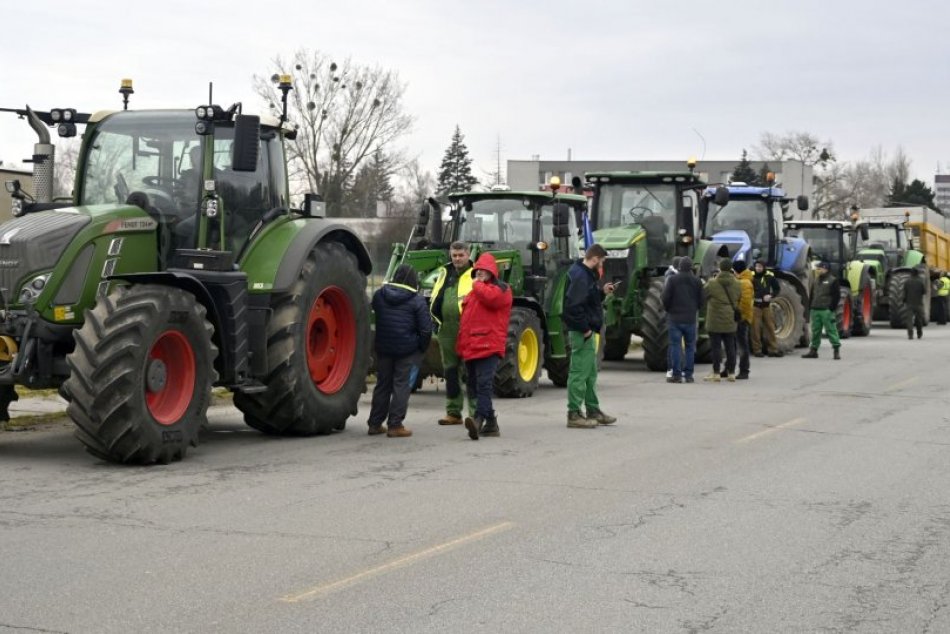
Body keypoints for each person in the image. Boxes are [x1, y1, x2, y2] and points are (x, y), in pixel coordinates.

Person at [367, 264, 433, 438]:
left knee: (382, 385)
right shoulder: (417, 300)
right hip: (407, 350)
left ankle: (375, 423)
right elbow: (426, 330)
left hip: (383, 347)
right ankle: (395, 425)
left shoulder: (379, 295)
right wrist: (421, 347)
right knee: (401, 385)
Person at [456, 253, 512, 440]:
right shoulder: (474, 293)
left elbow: (491, 299)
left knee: (484, 384)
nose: (479, 273)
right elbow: (466, 322)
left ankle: (478, 420)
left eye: (483, 270)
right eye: (477, 270)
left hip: (489, 345)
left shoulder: (501, 289)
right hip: (472, 345)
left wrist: (476, 284)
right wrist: (461, 346)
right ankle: (492, 424)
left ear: (492, 272)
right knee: (474, 385)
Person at [563, 243, 618, 428]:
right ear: (594, 259)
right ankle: (574, 414)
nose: (602, 265)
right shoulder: (580, 276)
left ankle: (593, 410)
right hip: (582, 332)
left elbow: (587, 300)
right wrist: (585, 329)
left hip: (588, 331)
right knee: (579, 372)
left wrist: (602, 292)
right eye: (601, 261)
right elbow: (572, 307)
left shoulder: (585, 274)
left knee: (590, 373)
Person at [430, 242, 475, 426]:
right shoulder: (444, 272)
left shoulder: (476, 274)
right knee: (450, 371)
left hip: (469, 329)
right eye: (454, 255)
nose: (457, 259)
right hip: (446, 330)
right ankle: (453, 412)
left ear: (468, 255)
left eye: (461, 255)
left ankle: (475, 413)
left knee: (472, 372)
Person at [662, 255, 702, 383]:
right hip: (690, 319)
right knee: (690, 347)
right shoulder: (697, 281)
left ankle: (676, 374)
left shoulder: (672, 280)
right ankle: (689, 375)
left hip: (675, 319)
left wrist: (669, 310)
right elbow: (701, 300)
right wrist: (694, 309)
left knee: (675, 346)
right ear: (691, 267)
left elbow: (665, 298)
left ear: (679, 267)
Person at [703, 258, 741, 382]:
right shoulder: (737, 284)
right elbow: (739, 297)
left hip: (714, 320)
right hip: (730, 319)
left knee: (716, 347)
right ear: (730, 268)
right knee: (730, 347)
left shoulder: (712, 283)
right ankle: (731, 373)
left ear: (720, 268)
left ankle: (716, 373)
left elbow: (703, 295)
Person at [801, 261, 841, 359]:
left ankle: (836, 350)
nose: (818, 270)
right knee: (815, 331)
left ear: (826, 269)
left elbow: (836, 296)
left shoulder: (833, 280)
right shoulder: (816, 280)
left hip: (826, 310)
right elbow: (812, 295)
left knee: (831, 330)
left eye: (820, 268)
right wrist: (810, 307)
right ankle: (813, 351)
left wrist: (831, 309)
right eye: (818, 268)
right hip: (815, 310)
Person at [751, 260, 782, 358]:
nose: (758, 268)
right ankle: (757, 350)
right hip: (755, 306)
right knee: (755, 329)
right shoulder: (751, 276)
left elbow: (777, 288)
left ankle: (773, 349)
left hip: (766, 306)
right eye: (757, 266)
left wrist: (771, 295)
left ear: (764, 267)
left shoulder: (769, 276)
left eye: (760, 267)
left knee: (770, 327)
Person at [733, 260, 754, 380]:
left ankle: (744, 370)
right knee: (738, 344)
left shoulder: (744, 282)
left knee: (742, 345)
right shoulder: (742, 280)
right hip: (742, 317)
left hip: (742, 318)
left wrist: (739, 314)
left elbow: (745, 303)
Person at [902, 268, 927, 340]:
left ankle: (910, 335)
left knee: (909, 320)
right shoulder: (920, 282)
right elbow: (924, 292)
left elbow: (904, 293)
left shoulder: (907, 282)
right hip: (919, 304)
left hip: (909, 304)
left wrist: (903, 301)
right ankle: (919, 333)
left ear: (911, 273)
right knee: (919, 320)